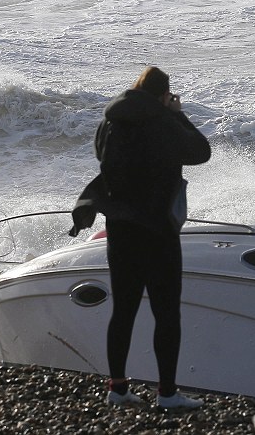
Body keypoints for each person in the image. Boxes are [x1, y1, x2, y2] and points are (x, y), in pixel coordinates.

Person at [95, 65, 211, 409]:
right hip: (156, 230)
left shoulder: (111, 120)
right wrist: (179, 115)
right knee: (166, 314)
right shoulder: (162, 121)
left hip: (120, 226)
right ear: (164, 94)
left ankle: (117, 389)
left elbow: (100, 156)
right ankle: (167, 394)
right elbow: (200, 152)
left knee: (123, 310)